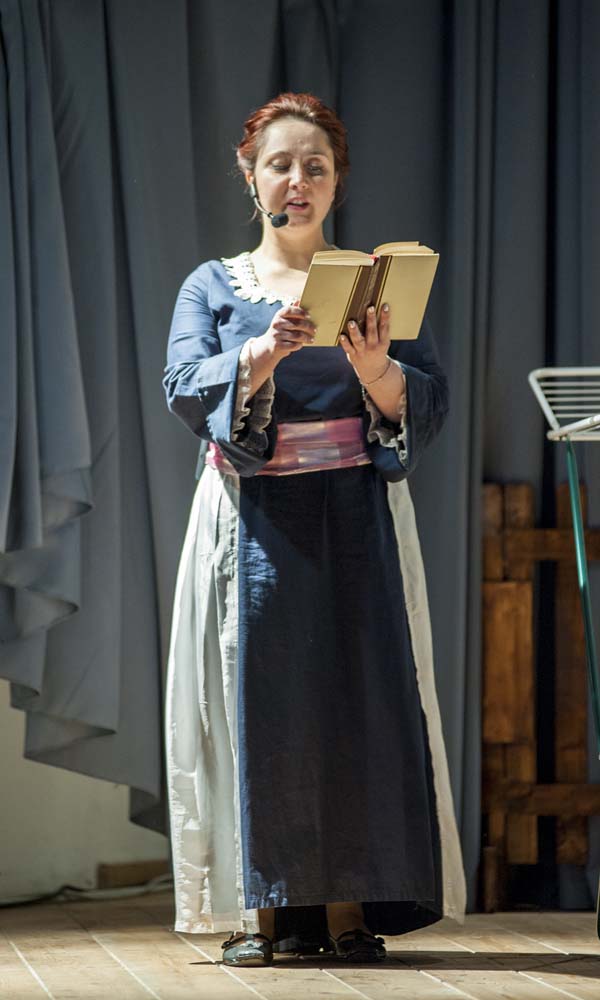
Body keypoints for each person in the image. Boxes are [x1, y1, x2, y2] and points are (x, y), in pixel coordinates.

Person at [163, 92, 466, 968]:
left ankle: (347, 908)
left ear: (337, 181)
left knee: (360, 704)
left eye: (315, 166)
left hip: (358, 514)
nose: (297, 181)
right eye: (280, 165)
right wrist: (263, 353)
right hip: (253, 519)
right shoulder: (214, 285)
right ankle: (263, 914)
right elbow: (183, 383)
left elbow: (427, 397)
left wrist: (376, 370)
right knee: (258, 708)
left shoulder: (374, 283)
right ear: (250, 176)